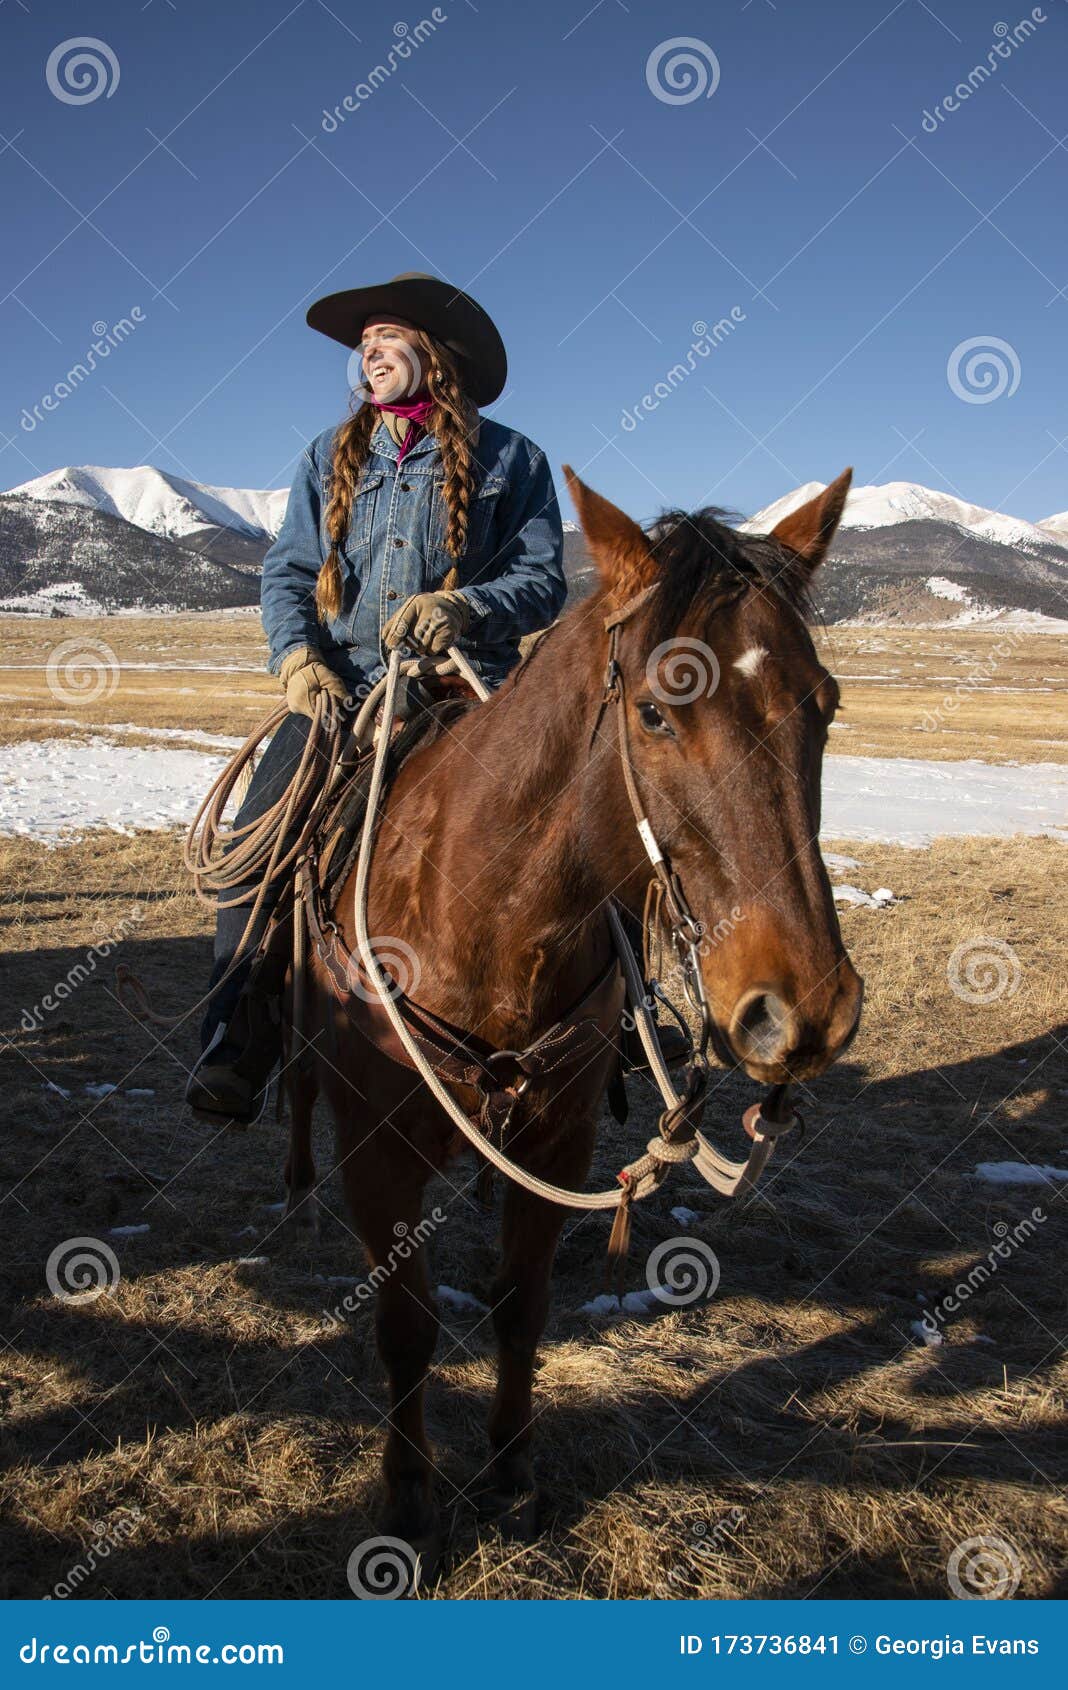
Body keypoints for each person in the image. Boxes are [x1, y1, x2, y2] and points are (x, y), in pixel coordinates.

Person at [186, 272, 566, 1122]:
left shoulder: (513, 459)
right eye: (365, 344)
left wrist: (466, 605)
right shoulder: (328, 455)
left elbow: (544, 582)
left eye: (386, 337)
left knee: (572, 824)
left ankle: (632, 1018)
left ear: (435, 355)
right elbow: (287, 571)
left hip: (467, 687)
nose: (369, 353)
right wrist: (296, 660)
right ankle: (236, 1037)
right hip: (344, 687)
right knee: (260, 832)